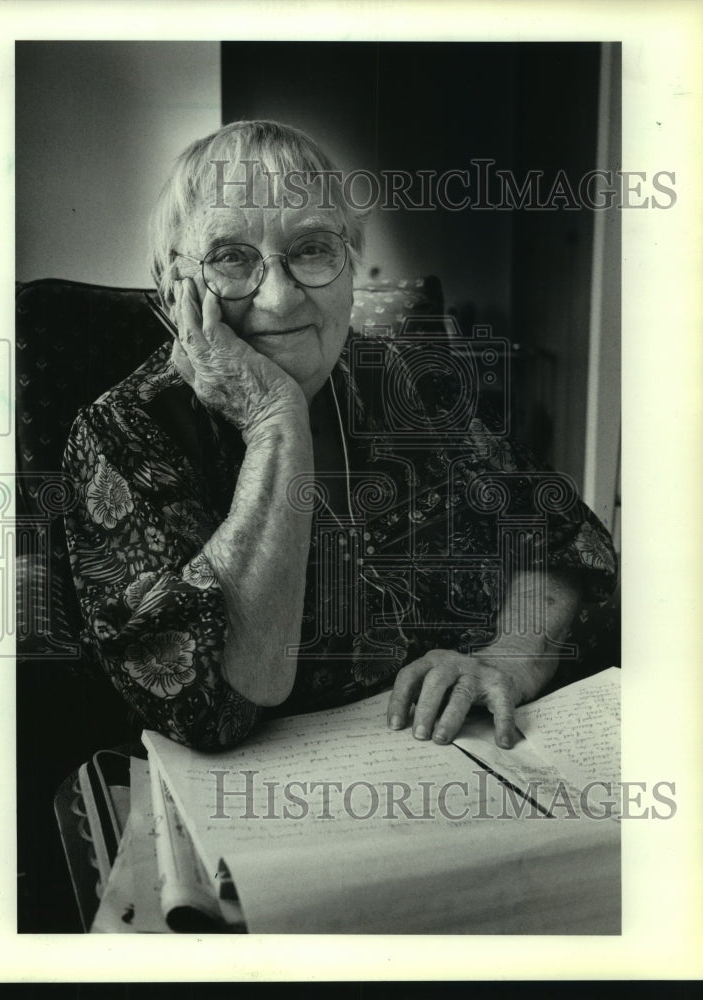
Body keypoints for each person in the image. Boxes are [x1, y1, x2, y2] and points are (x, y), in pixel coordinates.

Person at [63, 120, 617, 752]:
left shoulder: (411, 385)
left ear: (351, 267)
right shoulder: (123, 433)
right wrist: (276, 423)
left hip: (460, 754)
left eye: (312, 249)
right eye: (231, 258)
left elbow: (565, 538)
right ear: (173, 285)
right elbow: (206, 708)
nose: (278, 299)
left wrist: (511, 658)